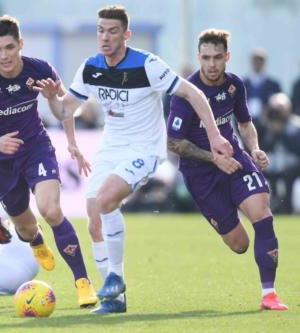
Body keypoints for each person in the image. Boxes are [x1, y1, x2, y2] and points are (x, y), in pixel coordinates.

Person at [34, 5, 233, 314]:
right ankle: (115, 299)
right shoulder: (90, 68)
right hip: (110, 147)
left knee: (105, 199)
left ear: (126, 35)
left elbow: (194, 94)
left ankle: (114, 276)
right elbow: (64, 111)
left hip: (144, 149)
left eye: (113, 31)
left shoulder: (147, 65)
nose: (105, 37)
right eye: (101, 30)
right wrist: (51, 98)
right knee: (93, 218)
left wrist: (215, 135)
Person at [0, 15, 98, 308]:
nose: (3, 56)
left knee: (51, 209)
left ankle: (83, 283)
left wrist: (71, 140)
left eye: (9, 47)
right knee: (26, 227)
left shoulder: (39, 69)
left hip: (35, 148)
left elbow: (62, 109)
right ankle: (35, 241)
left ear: (20, 44)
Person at [167, 29, 288, 310]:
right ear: (199, 57)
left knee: (262, 213)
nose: (211, 64)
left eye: (217, 57)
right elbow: (174, 143)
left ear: (227, 57)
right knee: (239, 244)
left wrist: (255, 148)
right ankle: (231, 212)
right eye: (206, 58)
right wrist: (213, 158)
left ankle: (269, 295)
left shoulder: (234, 85)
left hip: (235, 160)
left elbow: (244, 123)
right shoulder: (185, 93)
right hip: (201, 174)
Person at [255, 93, 300, 214]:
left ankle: (287, 208)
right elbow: (260, 147)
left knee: (289, 181)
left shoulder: (296, 125)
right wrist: (273, 132)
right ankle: (271, 206)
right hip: (271, 165)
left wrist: (282, 132)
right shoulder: (264, 125)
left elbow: (297, 149)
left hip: (292, 167)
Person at [243, 49, 281, 121]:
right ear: (251, 62)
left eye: (260, 60)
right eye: (255, 60)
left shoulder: (274, 85)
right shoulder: (242, 84)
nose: (257, 63)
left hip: (267, 123)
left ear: (264, 62)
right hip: (246, 121)